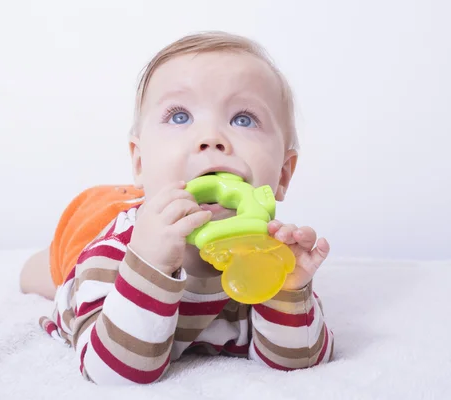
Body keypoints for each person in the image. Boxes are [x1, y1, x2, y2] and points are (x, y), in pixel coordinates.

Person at [20, 31, 334, 385]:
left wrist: (286, 292)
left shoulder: (269, 251)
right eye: (180, 116)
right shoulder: (112, 253)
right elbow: (110, 373)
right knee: (50, 272)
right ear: (140, 162)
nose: (211, 137)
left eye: (243, 119)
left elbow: (300, 362)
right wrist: (148, 264)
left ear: (283, 174)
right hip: (96, 222)